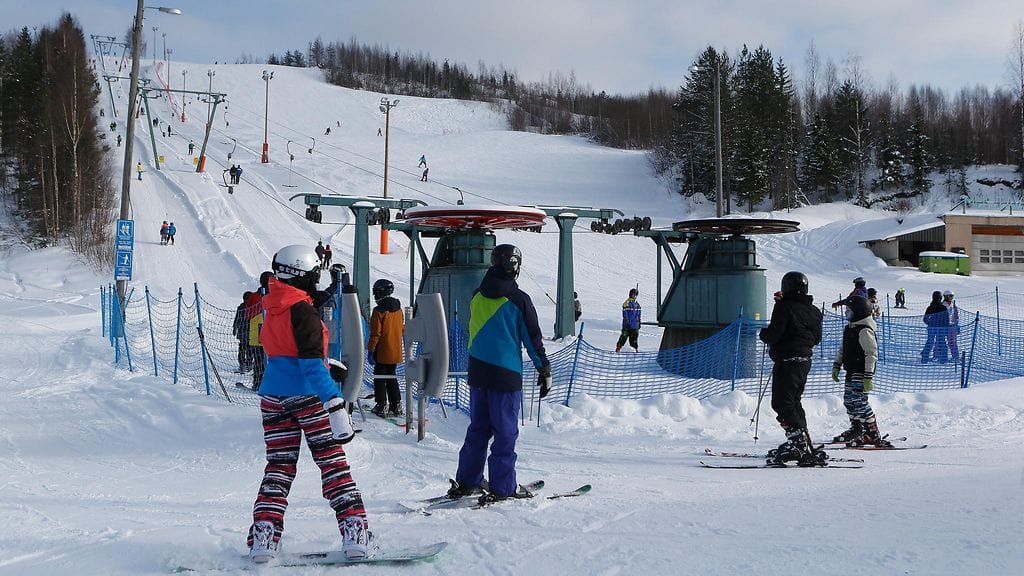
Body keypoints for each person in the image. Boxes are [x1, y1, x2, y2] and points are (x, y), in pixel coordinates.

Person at [246, 245, 368, 563]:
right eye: (315, 275)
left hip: (273, 396)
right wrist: (335, 403)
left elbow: (288, 352)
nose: (317, 280)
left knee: (279, 466)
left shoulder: (270, 303)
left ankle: (265, 534)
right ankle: (354, 530)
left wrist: (327, 365)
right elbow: (310, 365)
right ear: (304, 275)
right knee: (332, 463)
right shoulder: (303, 311)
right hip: (308, 397)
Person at [448, 244, 551, 505]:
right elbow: (532, 339)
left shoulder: (476, 295)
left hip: (478, 372)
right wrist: (544, 369)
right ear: (515, 266)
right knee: (505, 433)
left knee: (478, 429)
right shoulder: (519, 300)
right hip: (505, 375)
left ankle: (468, 480)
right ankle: (503, 486)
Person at [758, 271, 826, 467]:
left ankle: (797, 444)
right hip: (804, 361)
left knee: (782, 403)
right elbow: (817, 338)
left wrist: (764, 334)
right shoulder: (813, 310)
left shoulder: (784, 307)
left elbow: (773, 334)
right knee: (794, 401)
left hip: (787, 360)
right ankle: (803, 441)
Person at [831, 295, 892, 447]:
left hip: (862, 371)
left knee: (859, 402)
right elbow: (843, 349)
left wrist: (868, 376)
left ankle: (872, 433)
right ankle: (857, 428)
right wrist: (837, 365)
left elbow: (871, 353)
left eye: (849, 310)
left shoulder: (865, 330)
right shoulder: (849, 328)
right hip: (850, 370)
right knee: (849, 401)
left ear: (858, 312)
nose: (846, 313)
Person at [367, 279, 405, 417]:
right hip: (395, 351)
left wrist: (371, 349)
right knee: (391, 376)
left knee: (379, 377)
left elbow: (375, 333)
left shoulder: (379, 311)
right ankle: (396, 404)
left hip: (382, 351)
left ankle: (382, 404)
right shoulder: (398, 309)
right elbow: (402, 328)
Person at [249, 273, 272, 391]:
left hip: (255, 334)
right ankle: (269, 384)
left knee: (258, 361)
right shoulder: (274, 296)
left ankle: (257, 383)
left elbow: (248, 314)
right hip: (272, 332)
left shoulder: (253, 297)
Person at [921, 290, 950, 363]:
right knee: (941, 342)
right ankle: (944, 359)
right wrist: (946, 329)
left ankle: (924, 358)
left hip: (932, 328)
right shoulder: (943, 308)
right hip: (941, 328)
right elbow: (946, 320)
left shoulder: (930, 308)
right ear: (940, 298)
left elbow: (925, 319)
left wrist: (930, 323)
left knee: (930, 342)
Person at [233, 292, 255, 373]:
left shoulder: (242, 307)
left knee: (244, 349)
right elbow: (237, 318)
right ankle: (246, 364)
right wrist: (235, 327)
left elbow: (237, 319)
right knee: (248, 349)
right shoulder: (251, 306)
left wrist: (235, 328)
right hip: (247, 332)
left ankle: (245, 364)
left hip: (244, 332)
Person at [615, 288, 641, 352]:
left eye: (636, 295)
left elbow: (639, 315)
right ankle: (618, 348)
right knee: (624, 336)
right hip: (627, 325)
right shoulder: (626, 303)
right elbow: (625, 314)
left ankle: (635, 349)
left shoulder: (637, 305)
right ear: (630, 294)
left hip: (635, 325)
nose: (635, 296)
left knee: (634, 338)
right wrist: (627, 321)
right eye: (633, 294)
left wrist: (639, 322)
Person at [942, 290, 960, 361]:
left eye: (952, 296)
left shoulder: (953, 304)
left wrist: (956, 322)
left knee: (952, 341)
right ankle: (939, 355)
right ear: (946, 296)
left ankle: (955, 357)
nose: (951, 298)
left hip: (952, 325)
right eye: (950, 296)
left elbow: (956, 314)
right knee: (940, 341)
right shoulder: (943, 305)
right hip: (944, 325)